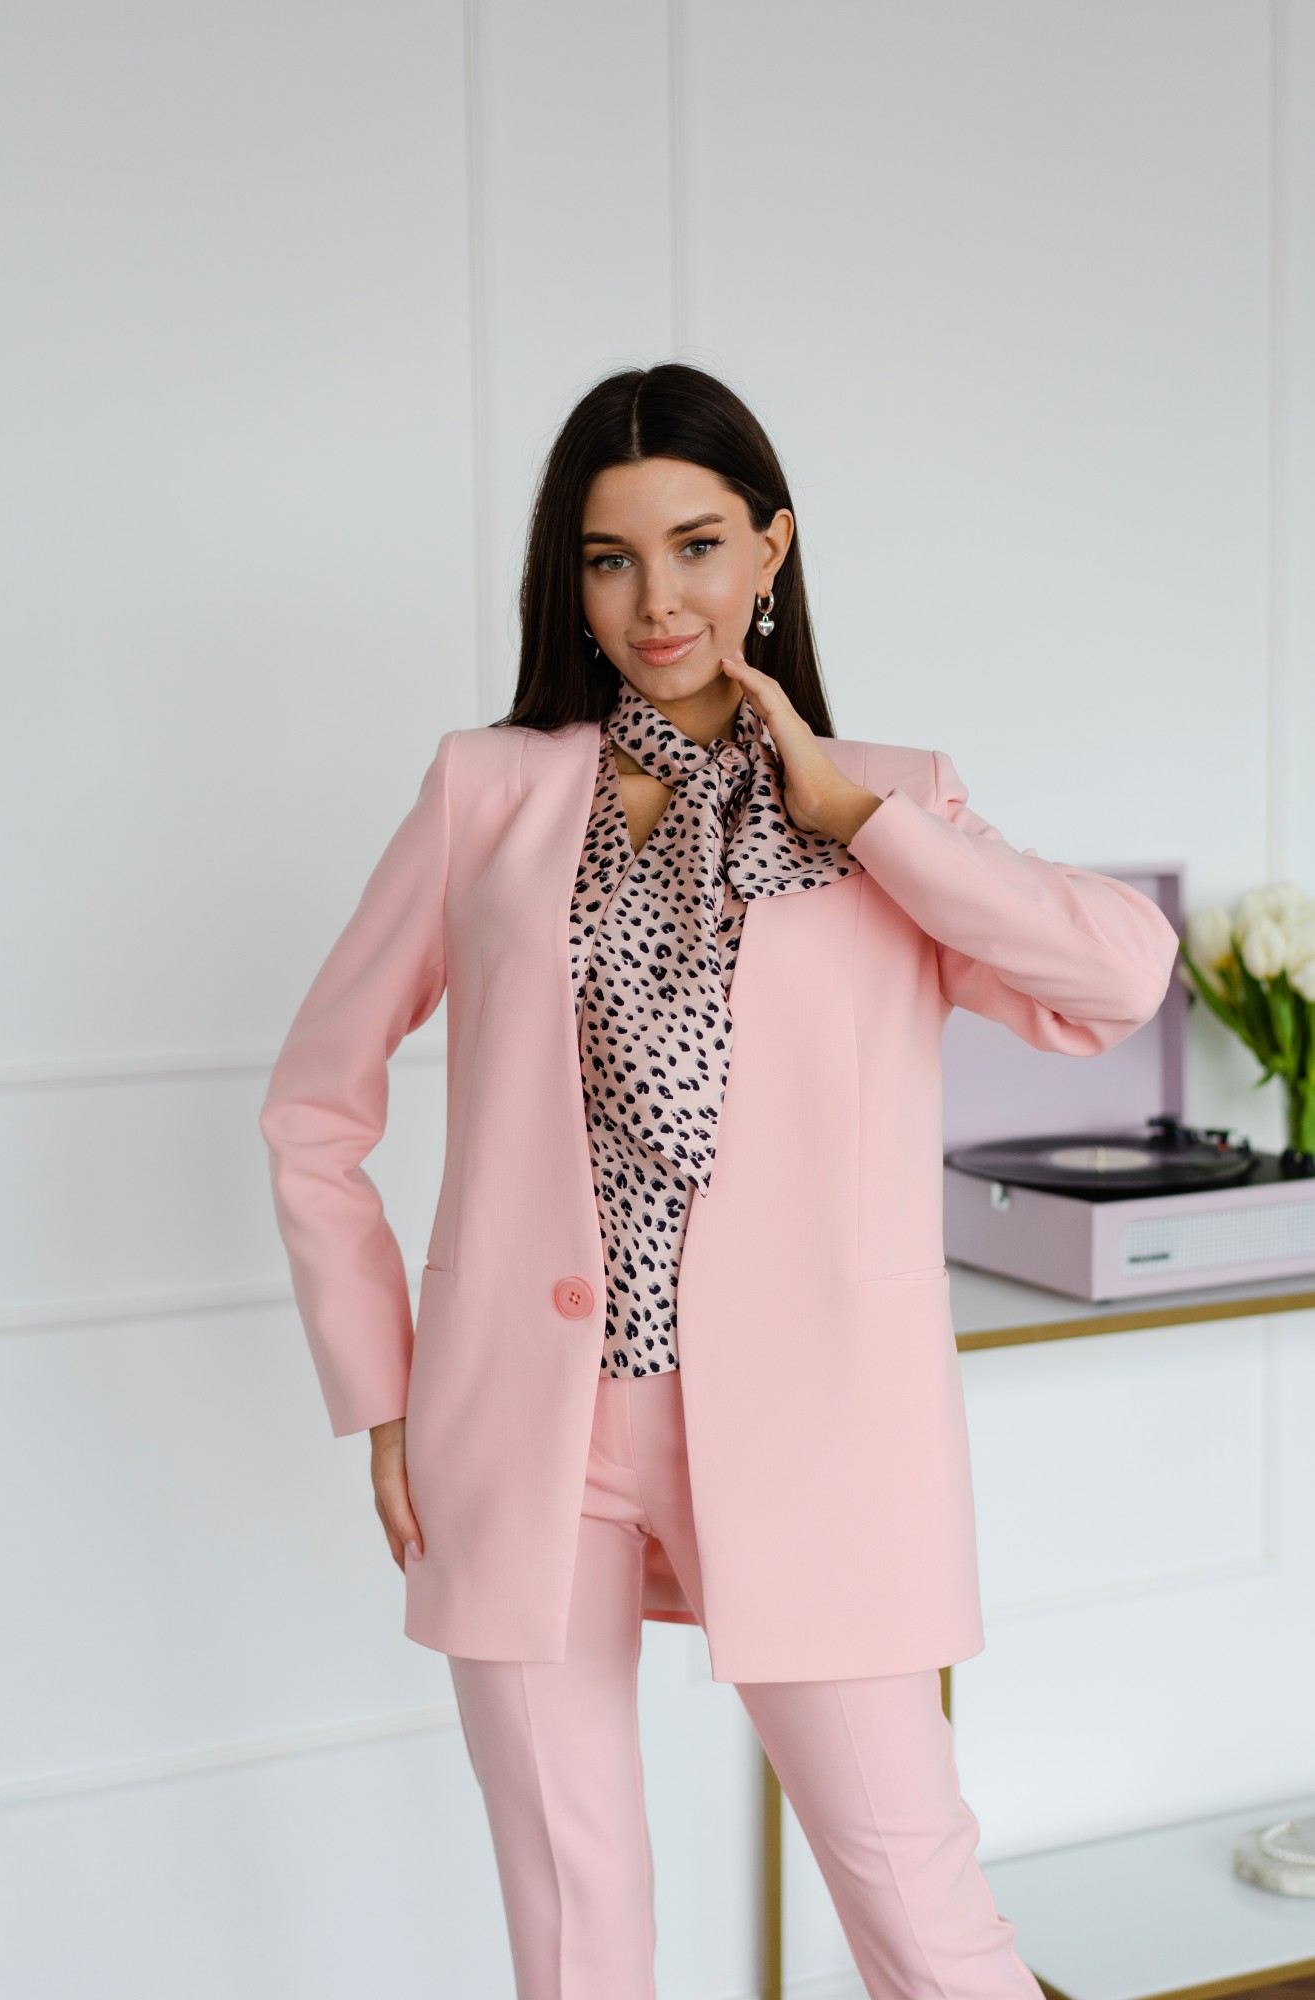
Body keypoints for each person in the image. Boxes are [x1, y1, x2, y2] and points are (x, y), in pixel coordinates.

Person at [259, 362, 1181, 1998]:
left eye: (694, 546)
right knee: (576, 1932)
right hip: (522, 1430)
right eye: (608, 559)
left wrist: (856, 814)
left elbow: (1115, 977)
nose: (656, 601)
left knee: (926, 1928)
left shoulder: (889, 798)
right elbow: (312, 1104)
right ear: (568, 580)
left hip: (811, 1427)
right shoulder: (489, 792)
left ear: (770, 548)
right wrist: (383, 1398)